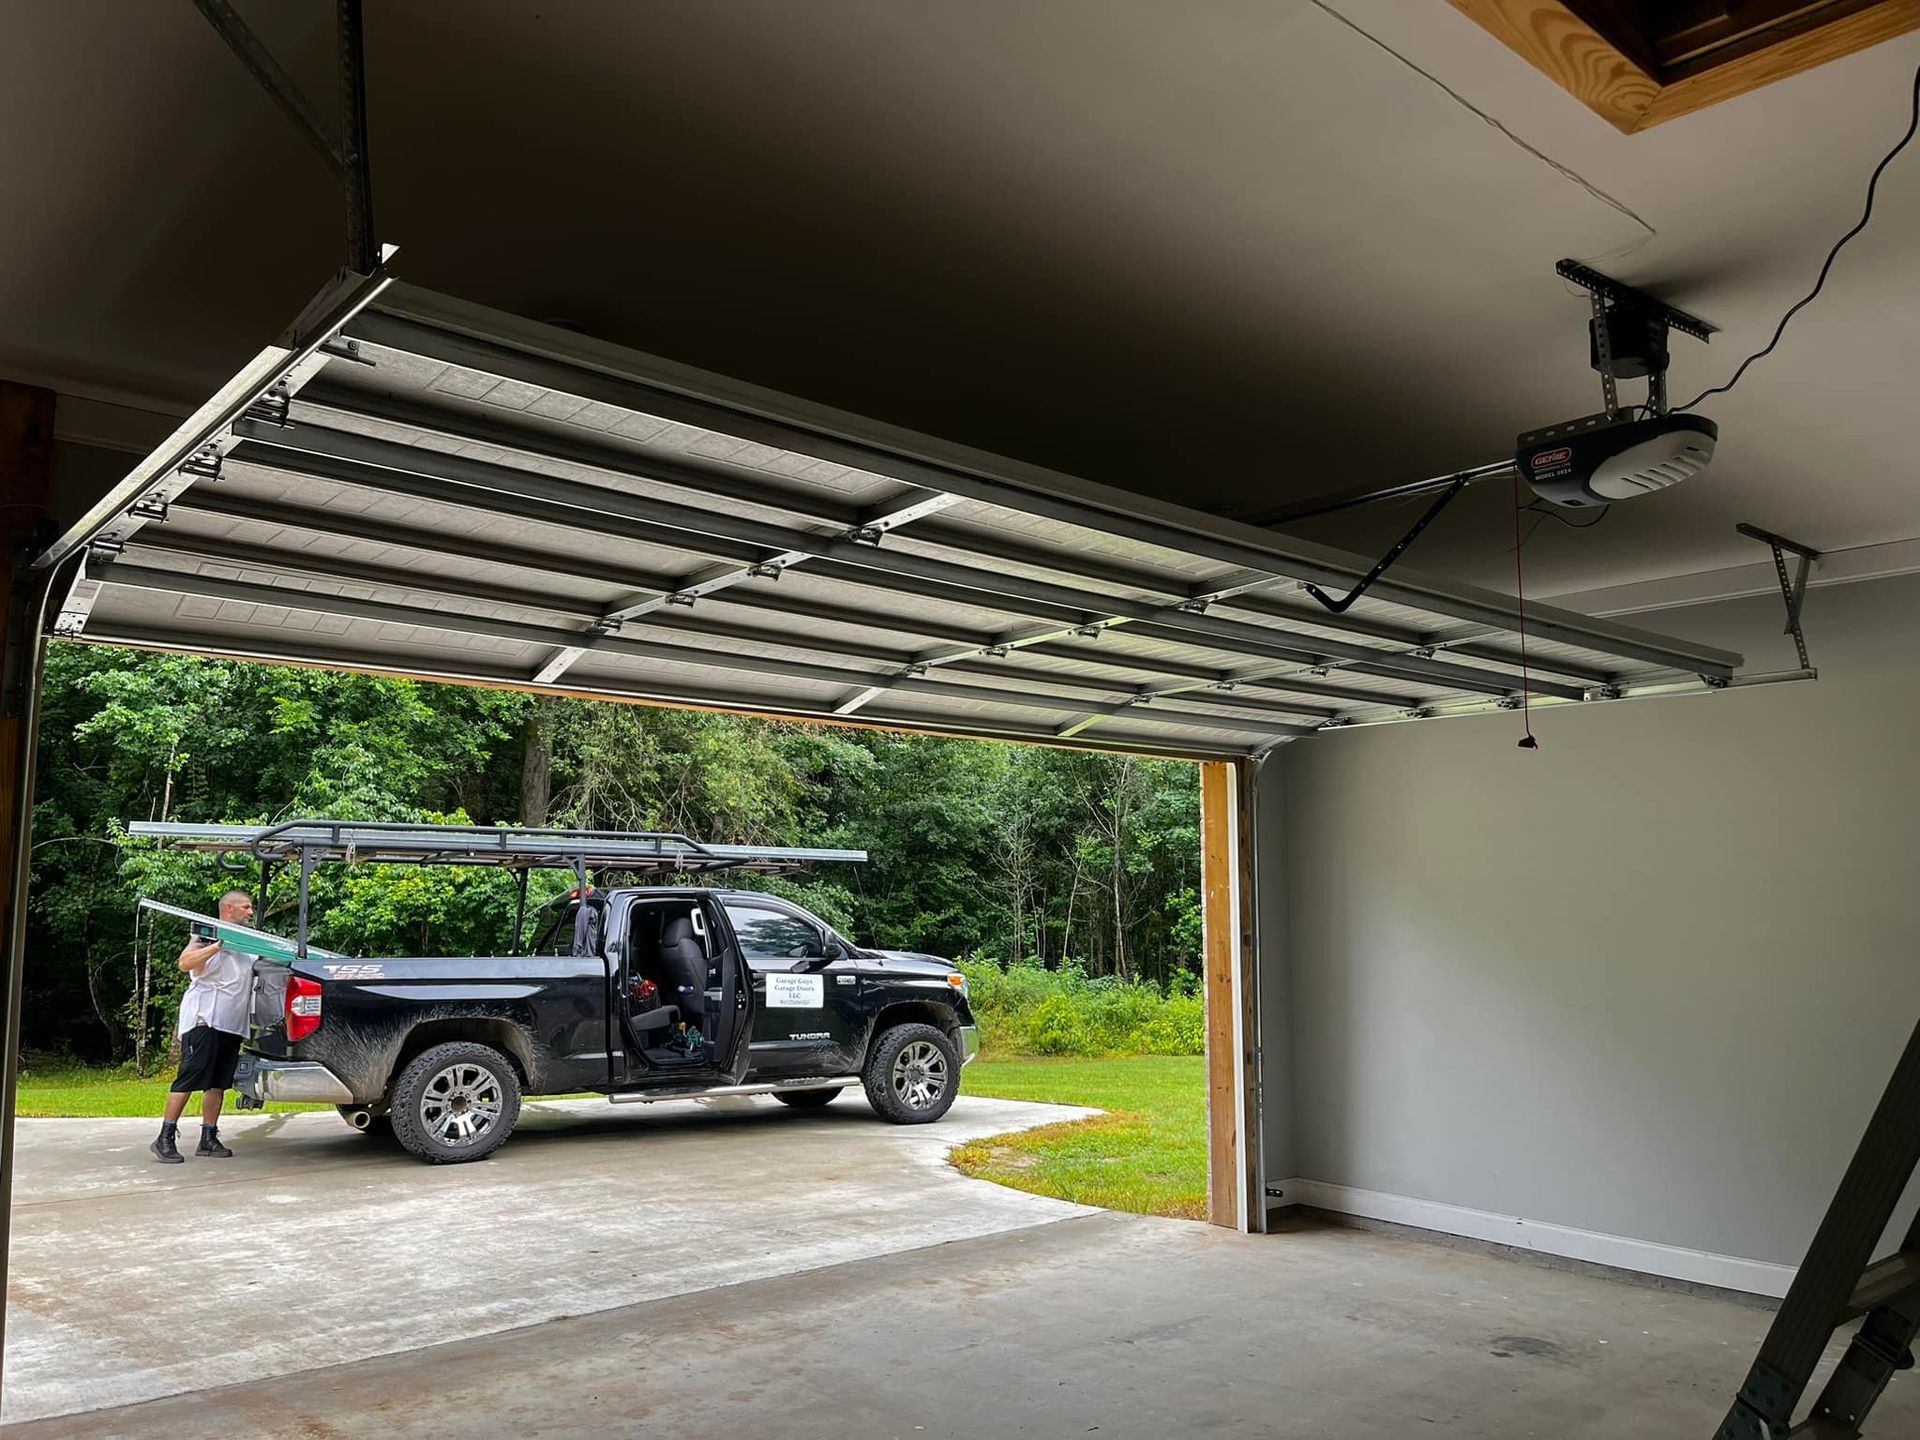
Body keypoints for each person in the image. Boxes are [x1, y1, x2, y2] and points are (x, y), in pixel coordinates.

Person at [151, 889, 255, 1164]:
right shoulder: (204, 936)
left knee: (218, 1083)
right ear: (229, 909)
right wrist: (218, 945)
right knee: (190, 1075)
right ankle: (165, 1136)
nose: (250, 912)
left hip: (232, 1024)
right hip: (204, 1020)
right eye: (245, 907)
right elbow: (185, 963)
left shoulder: (251, 944)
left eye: (251, 908)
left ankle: (208, 1137)